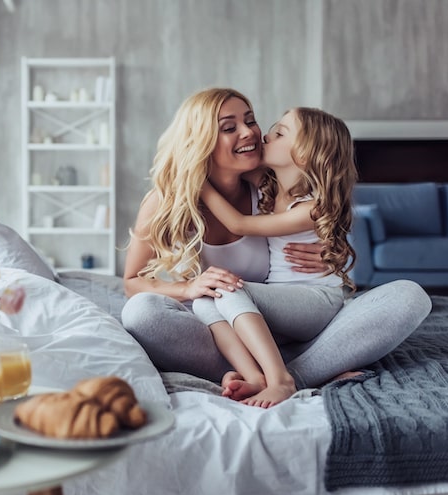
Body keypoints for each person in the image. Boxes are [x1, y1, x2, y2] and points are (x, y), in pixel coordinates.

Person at [121, 88, 431, 396]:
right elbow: (132, 282)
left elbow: (324, 213)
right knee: (141, 313)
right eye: (229, 127)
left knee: (409, 296)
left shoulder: (270, 183)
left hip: (291, 318)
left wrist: (332, 253)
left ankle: (281, 376)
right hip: (225, 332)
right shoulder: (167, 201)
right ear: (201, 141)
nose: (251, 133)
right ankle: (294, 371)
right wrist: (187, 289)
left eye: (251, 120)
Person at [191, 107, 357, 408]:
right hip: (281, 303)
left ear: (305, 155)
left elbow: (238, 224)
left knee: (228, 289)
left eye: (279, 133)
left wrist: (199, 184)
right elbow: (225, 162)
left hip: (315, 302)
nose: (265, 135)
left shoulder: (311, 208)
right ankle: (254, 375)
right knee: (204, 297)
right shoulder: (270, 184)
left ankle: (281, 380)